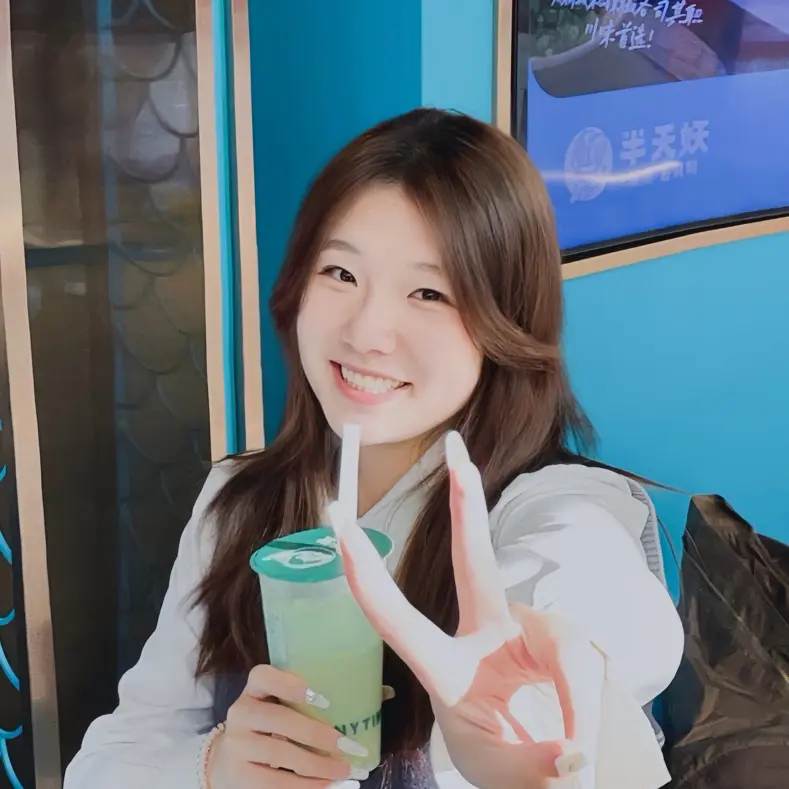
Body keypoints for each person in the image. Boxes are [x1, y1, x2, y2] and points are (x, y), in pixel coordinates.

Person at [64, 108, 684, 789]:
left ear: (505, 320)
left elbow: (599, 609)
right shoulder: (239, 502)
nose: (366, 333)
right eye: (340, 273)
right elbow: (112, 758)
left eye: (429, 292)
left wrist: (524, 716)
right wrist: (215, 767)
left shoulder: (553, 506)